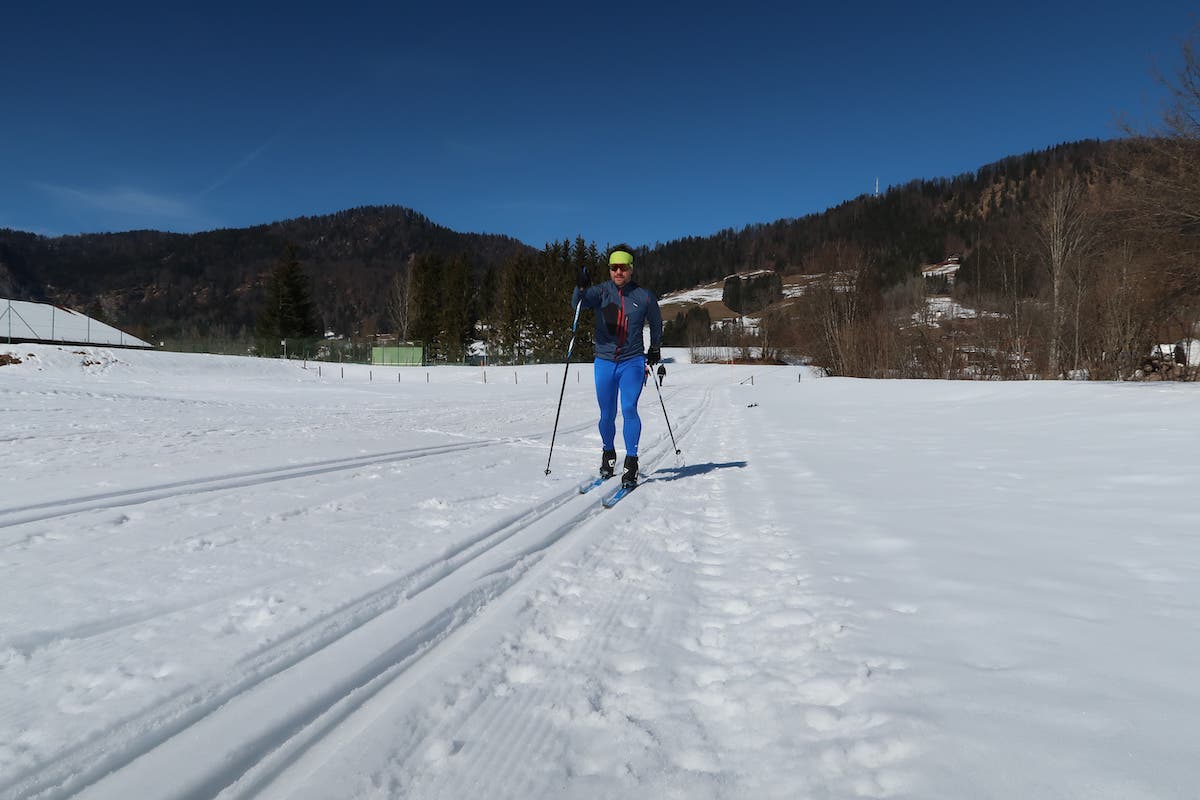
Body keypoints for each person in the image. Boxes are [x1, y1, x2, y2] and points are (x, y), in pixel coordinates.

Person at [573, 245, 663, 488]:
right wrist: (580, 287)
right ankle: (608, 453)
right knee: (607, 414)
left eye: (623, 267)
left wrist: (655, 348)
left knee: (630, 408)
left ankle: (631, 461)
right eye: (614, 267)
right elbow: (578, 304)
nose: (618, 272)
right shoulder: (601, 292)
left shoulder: (644, 296)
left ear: (631, 269)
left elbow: (656, 322)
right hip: (604, 362)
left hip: (632, 361)